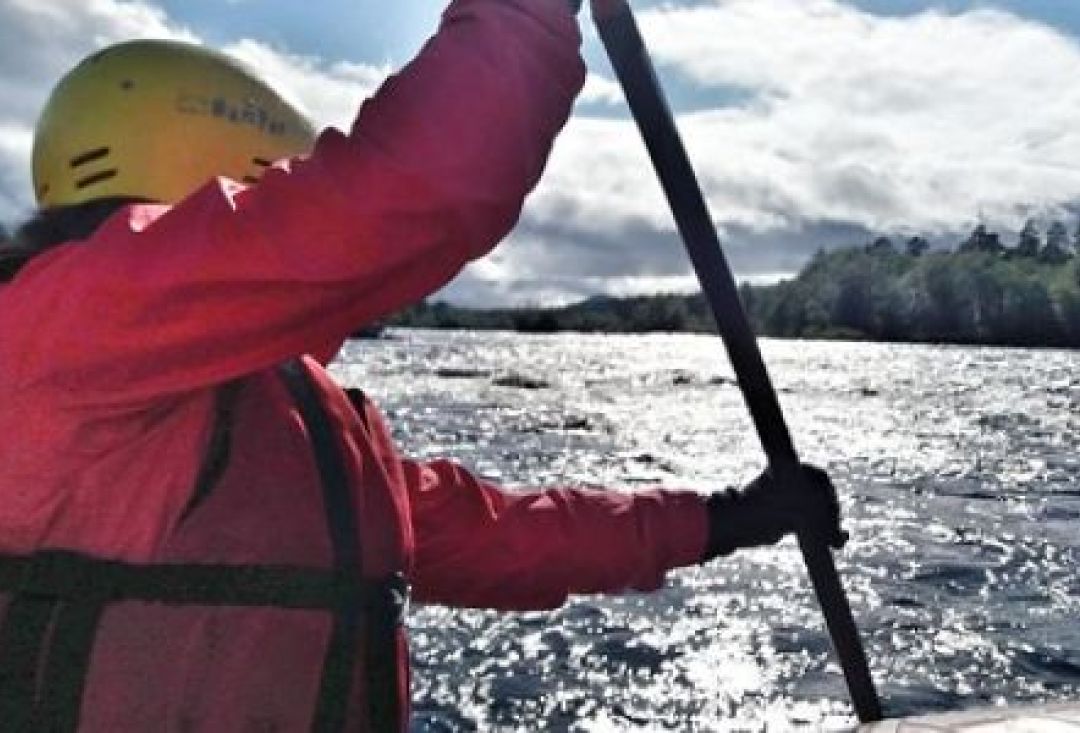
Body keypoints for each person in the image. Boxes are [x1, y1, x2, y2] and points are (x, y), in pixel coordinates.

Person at [0, 0, 845, 730]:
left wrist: (729, 519)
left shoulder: (271, 412)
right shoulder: (67, 326)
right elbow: (418, 192)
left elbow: (502, 535)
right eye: (277, 188)